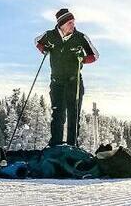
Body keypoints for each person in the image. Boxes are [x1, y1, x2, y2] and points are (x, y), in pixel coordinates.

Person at [34, 8, 99, 147]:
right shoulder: (50, 35)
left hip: (74, 83)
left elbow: (95, 55)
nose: (73, 25)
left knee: (73, 116)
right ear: (61, 24)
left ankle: (72, 146)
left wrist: (82, 59)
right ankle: (55, 146)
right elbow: (37, 41)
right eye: (70, 22)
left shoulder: (80, 37)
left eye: (73, 22)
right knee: (57, 115)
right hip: (56, 82)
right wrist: (44, 49)